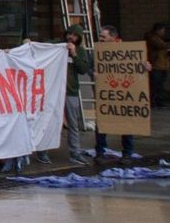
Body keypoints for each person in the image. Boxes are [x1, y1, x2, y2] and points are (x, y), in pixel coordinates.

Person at [93, 26, 147, 161]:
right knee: (102, 123)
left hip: (125, 93)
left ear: (113, 37)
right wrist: (93, 73)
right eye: (100, 36)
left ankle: (127, 153)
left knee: (126, 122)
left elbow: (139, 67)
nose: (101, 39)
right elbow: (89, 66)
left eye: (104, 37)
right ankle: (100, 152)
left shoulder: (127, 50)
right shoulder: (98, 51)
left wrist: (146, 67)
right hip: (106, 94)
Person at [62, 26, 93, 163]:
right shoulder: (58, 46)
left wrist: (74, 54)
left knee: (73, 124)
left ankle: (75, 152)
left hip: (71, 91)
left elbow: (83, 69)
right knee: (48, 123)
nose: (71, 37)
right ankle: (42, 153)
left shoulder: (80, 51)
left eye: (74, 35)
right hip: (53, 92)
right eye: (69, 34)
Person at [144, 22, 170, 108]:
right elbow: (161, 45)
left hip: (162, 64)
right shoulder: (152, 37)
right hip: (156, 65)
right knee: (155, 85)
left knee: (160, 85)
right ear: (158, 30)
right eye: (163, 30)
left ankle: (158, 101)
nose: (164, 32)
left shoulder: (159, 38)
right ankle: (153, 102)